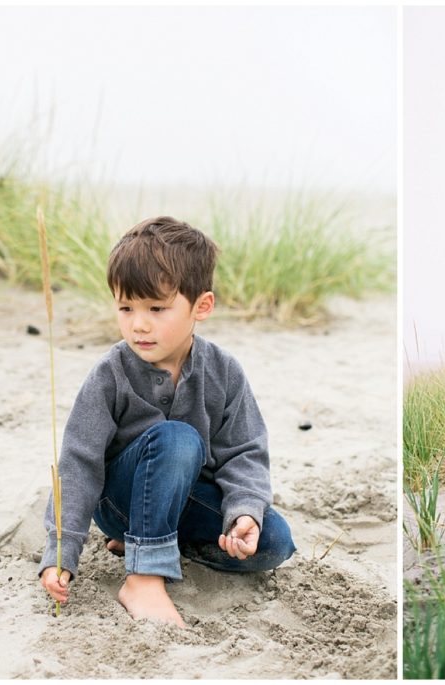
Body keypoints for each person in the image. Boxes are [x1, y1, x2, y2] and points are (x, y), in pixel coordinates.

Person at [39, 217, 296, 627]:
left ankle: (156, 542)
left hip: (185, 500)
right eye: (126, 308)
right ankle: (143, 577)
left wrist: (244, 511)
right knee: (178, 439)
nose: (139, 324)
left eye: (156, 308)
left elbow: (244, 452)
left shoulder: (223, 371)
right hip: (119, 503)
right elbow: (78, 465)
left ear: (201, 306)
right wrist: (61, 553)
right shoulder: (111, 373)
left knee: (274, 542)